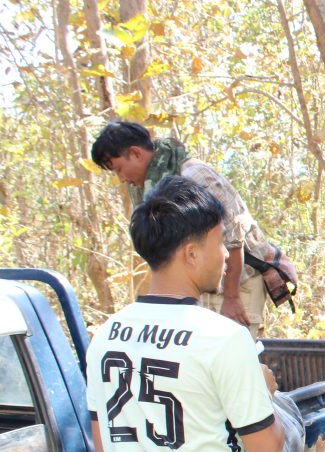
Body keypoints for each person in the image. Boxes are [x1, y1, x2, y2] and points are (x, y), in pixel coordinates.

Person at [84, 176, 304, 452]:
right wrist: (264, 394)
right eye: (219, 243)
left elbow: (104, 447)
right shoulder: (222, 337)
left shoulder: (104, 337)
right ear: (190, 252)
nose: (226, 256)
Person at [91, 122, 272, 337]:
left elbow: (235, 234)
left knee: (240, 349)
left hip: (238, 284)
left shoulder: (194, 175)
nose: (121, 178)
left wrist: (232, 297)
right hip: (200, 289)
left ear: (136, 153)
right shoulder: (144, 189)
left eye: (119, 169)